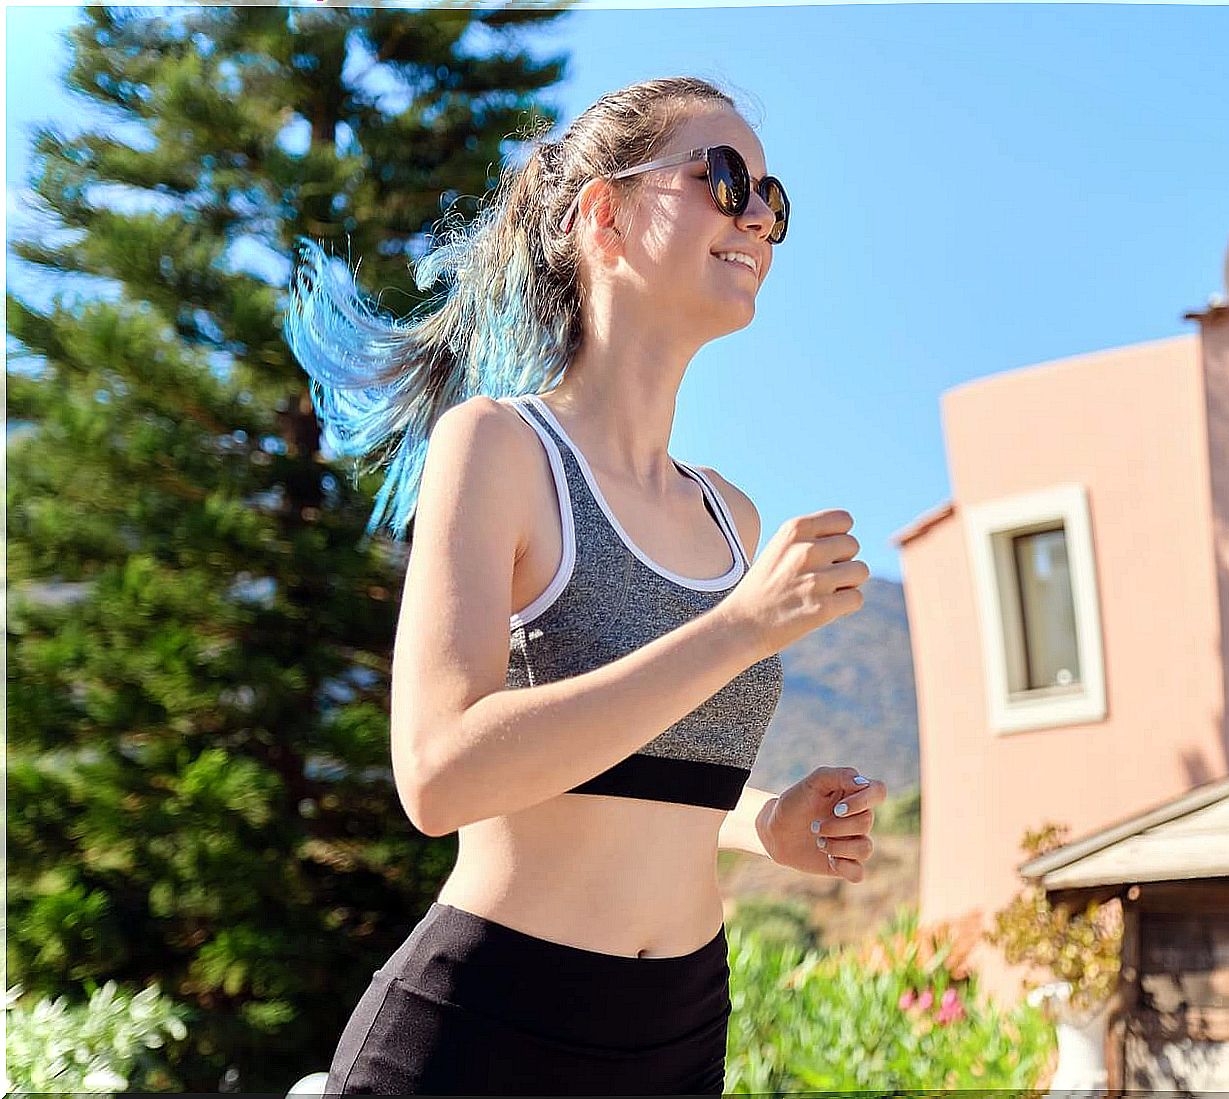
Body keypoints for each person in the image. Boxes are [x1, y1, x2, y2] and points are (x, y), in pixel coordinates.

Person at [283, 76, 886, 1095]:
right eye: (725, 177)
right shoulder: (498, 448)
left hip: (679, 1038)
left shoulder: (727, 514)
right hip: (485, 1031)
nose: (756, 217)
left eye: (772, 200)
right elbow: (438, 774)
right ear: (603, 215)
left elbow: (640, 776)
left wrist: (763, 821)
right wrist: (737, 629)